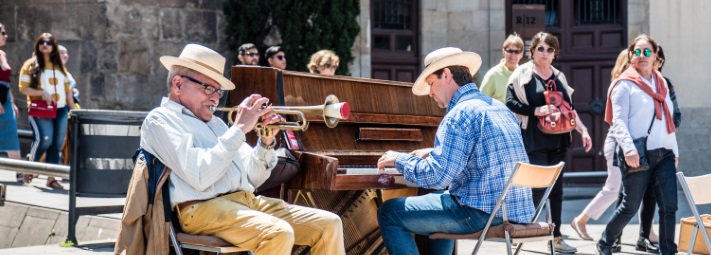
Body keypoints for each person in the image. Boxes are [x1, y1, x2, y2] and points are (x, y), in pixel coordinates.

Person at [140, 43, 345, 255]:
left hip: (245, 201)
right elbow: (200, 175)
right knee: (278, 232)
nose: (215, 98)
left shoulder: (217, 125)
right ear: (178, 84)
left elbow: (254, 179)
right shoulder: (160, 120)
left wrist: (265, 144)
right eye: (208, 88)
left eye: (218, 91)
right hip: (201, 208)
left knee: (330, 224)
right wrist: (238, 129)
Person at [376, 47, 535, 255]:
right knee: (442, 198)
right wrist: (434, 151)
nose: (430, 92)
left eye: (432, 83)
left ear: (447, 75)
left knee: (389, 213)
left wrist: (399, 159)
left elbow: (437, 176)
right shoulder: (499, 107)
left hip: (482, 213)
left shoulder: (458, 114)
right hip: (517, 211)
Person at [506, 32, 593, 254]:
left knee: (556, 190)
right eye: (541, 48)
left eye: (550, 49)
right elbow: (510, 102)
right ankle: (522, 230)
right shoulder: (521, 74)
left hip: (559, 140)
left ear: (555, 54)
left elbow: (569, 110)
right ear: (532, 51)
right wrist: (536, 110)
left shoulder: (559, 77)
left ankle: (555, 237)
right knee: (536, 188)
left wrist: (583, 130)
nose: (545, 53)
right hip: (534, 140)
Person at [570, 49, 659, 253]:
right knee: (614, 188)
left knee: (636, 190)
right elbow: (619, 122)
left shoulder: (643, 82)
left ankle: (644, 232)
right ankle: (582, 221)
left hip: (632, 144)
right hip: (619, 144)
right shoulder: (623, 83)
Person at [597, 34, 679, 255]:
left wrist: (675, 150)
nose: (642, 56)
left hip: (665, 154)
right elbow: (618, 121)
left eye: (647, 52)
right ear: (631, 56)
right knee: (629, 206)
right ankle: (605, 241)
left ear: (655, 57)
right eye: (637, 52)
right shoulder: (624, 84)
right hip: (639, 154)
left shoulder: (662, 84)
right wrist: (629, 148)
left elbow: (669, 120)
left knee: (669, 207)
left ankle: (668, 251)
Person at [19, 33, 75, 189]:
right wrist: (42, 93)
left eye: (49, 42)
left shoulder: (59, 67)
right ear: (37, 44)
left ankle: (51, 177)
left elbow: (67, 91)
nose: (45, 44)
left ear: (53, 46)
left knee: (57, 144)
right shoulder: (30, 64)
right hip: (41, 108)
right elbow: (23, 88)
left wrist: (75, 110)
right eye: (42, 42)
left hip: (61, 109)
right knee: (45, 140)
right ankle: (30, 167)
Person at [0, 22, 22, 176]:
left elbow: (6, 82)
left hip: (5, 98)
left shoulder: (2, 54)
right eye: (3, 32)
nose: (6, 36)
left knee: (11, 133)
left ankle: (20, 171)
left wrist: (12, 101)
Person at [480, 33, 524, 103]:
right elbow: (481, 101)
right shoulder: (492, 75)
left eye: (516, 52)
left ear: (521, 54)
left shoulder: (524, 75)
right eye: (509, 51)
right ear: (503, 52)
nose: (513, 55)